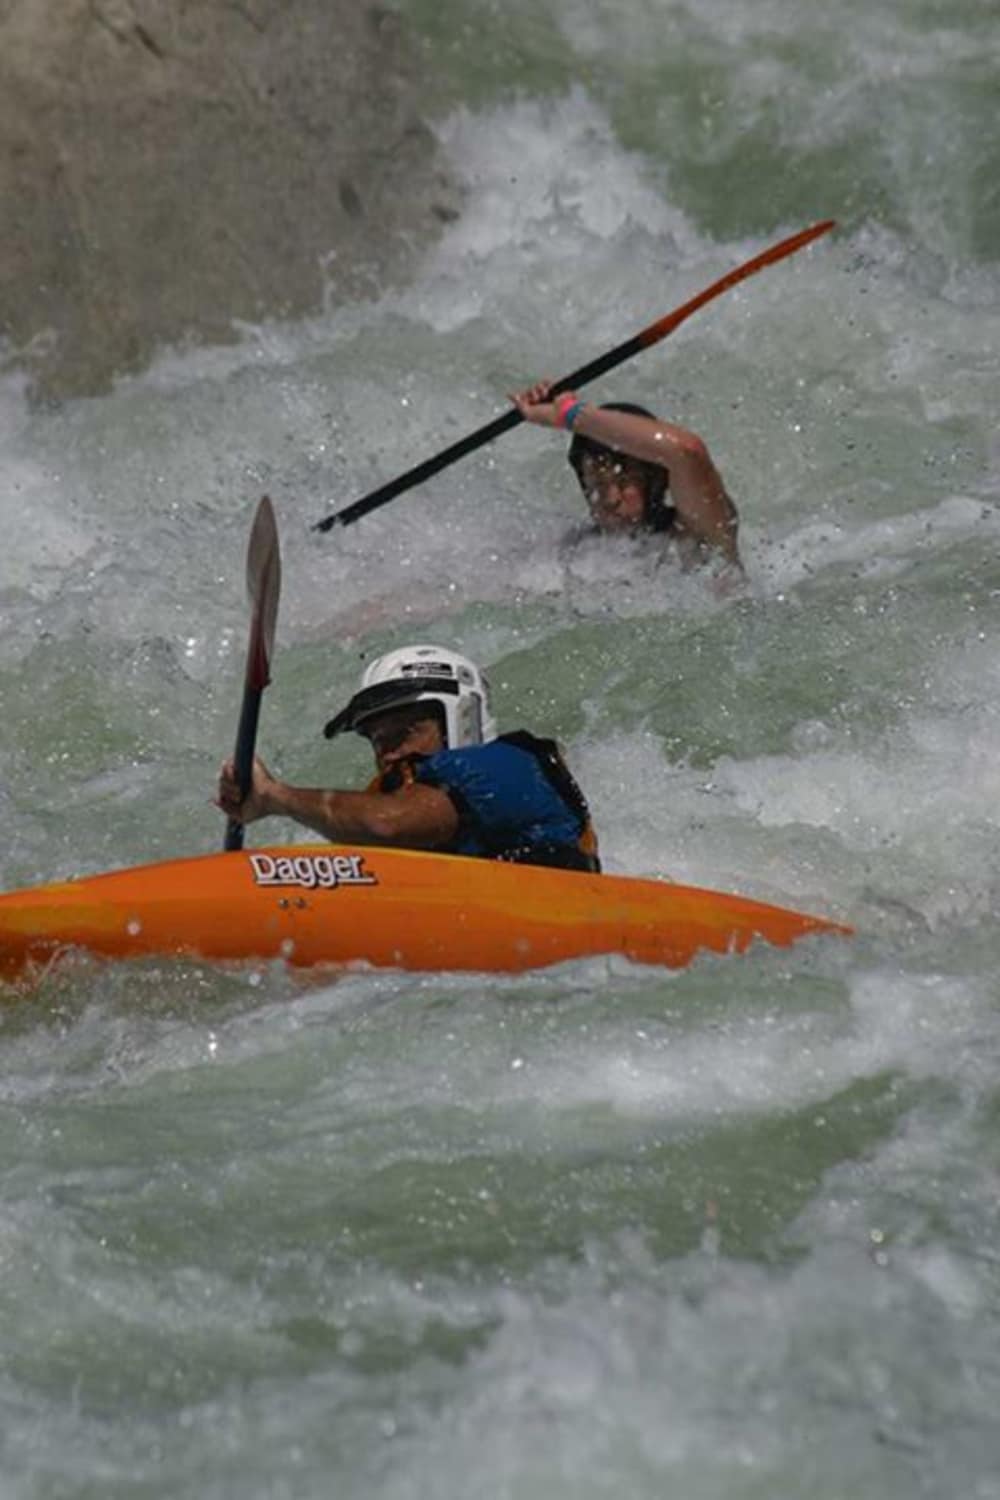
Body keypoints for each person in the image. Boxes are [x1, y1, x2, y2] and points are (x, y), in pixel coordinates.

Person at [217, 643, 600, 873]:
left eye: (404, 733)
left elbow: (387, 825)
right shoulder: (393, 797)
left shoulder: (507, 767)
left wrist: (275, 798)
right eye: (377, 741)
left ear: (461, 718)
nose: (389, 753)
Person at [510, 381, 742, 573]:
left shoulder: (701, 533)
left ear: (657, 480)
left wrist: (568, 414)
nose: (610, 499)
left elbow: (687, 451)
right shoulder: (572, 549)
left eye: (624, 482)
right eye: (597, 483)